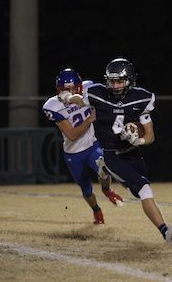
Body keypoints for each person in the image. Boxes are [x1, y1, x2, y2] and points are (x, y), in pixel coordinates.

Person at [66, 58, 172, 246]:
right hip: (112, 154)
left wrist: (138, 140)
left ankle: (104, 170)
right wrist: (67, 98)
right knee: (144, 189)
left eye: (119, 81)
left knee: (137, 190)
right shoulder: (97, 93)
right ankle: (166, 232)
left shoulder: (141, 98)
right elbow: (79, 100)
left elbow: (150, 135)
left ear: (130, 80)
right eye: (111, 81)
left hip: (132, 152)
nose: (115, 85)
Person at [42, 68, 123, 225]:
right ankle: (96, 211)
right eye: (66, 90)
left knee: (105, 168)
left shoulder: (88, 88)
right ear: (59, 90)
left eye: (74, 88)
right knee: (86, 189)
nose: (70, 92)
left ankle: (107, 190)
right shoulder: (53, 105)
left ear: (79, 87)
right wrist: (90, 119)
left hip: (92, 145)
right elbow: (71, 135)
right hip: (73, 153)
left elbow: (108, 96)